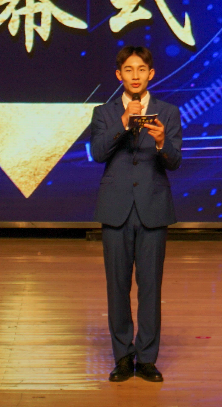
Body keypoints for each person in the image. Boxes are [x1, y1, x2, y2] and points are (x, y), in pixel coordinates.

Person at [88, 45, 183, 383]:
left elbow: (174, 161)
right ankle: (123, 356)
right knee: (117, 286)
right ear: (119, 75)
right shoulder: (104, 112)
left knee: (150, 287)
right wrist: (124, 122)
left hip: (153, 209)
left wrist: (161, 142)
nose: (135, 75)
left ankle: (147, 358)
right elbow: (98, 153)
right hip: (115, 209)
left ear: (151, 73)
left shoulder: (168, 112)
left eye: (141, 69)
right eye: (128, 70)